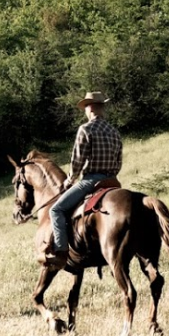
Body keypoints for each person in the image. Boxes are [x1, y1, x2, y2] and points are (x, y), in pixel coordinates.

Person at [47, 91, 123, 263]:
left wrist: (69, 180)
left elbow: (77, 161)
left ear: (89, 108)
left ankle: (61, 252)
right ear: (102, 108)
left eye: (86, 107)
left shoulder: (86, 129)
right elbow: (118, 163)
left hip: (91, 180)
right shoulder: (114, 132)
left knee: (56, 210)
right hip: (112, 181)